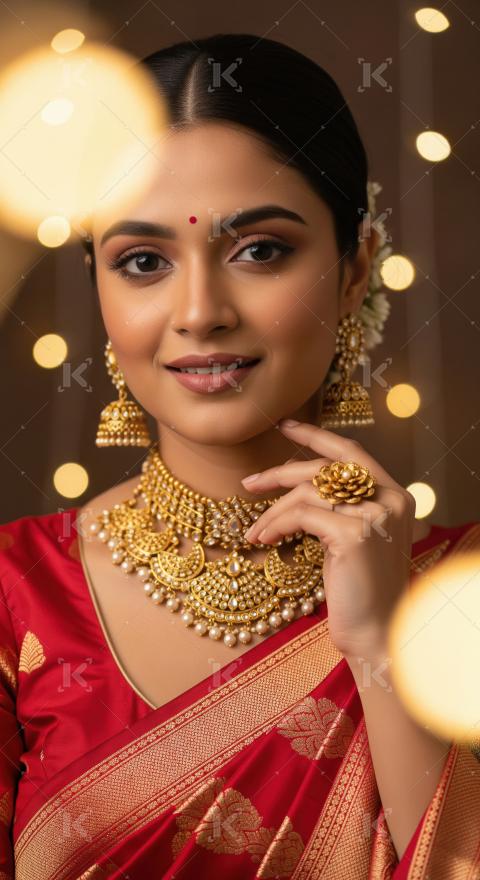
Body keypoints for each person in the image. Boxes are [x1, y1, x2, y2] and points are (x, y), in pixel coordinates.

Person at [1, 33, 479, 880]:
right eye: (143, 261)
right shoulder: (16, 591)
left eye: (259, 250)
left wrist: (377, 643)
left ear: (354, 265)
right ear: (98, 284)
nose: (198, 312)